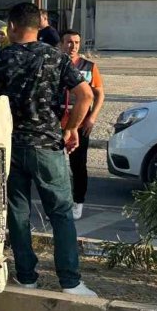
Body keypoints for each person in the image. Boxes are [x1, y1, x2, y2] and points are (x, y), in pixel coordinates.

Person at [0, 2, 96, 296]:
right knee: (61, 213)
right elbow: (84, 95)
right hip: (48, 144)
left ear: (11, 26)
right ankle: (70, 282)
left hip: (11, 146)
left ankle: (26, 276)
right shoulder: (56, 57)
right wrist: (71, 128)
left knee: (18, 213)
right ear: (39, 27)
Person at [59, 29, 105, 220]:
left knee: (78, 165)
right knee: (56, 166)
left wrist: (92, 117)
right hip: (57, 121)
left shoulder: (89, 66)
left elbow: (99, 94)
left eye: (76, 43)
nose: (73, 46)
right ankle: (60, 203)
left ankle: (78, 201)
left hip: (80, 123)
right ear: (61, 44)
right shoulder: (55, 64)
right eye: (69, 42)